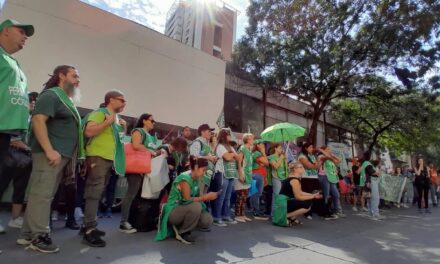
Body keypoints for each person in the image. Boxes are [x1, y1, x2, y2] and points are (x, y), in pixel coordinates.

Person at [18, 65, 82, 253]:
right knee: (42, 195)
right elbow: (38, 120)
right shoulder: (52, 95)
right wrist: (49, 150)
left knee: (42, 195)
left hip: (59, 155)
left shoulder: (65, 99)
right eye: (75, 76)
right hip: (50, 154)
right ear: (61, 76)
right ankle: (40, 236)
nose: (78, 80)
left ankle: (27, 234)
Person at [0, 19, 34, 235]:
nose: (25, 37)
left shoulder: (14, 63)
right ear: (4, 31)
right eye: (21, 31)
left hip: (6, 132)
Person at [82, 90, 127, 247]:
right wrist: (108, 122)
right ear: (110, 100)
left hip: (107, 159)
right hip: (98, 157)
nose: (124, 103)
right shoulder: (100, 113)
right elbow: (88, 131)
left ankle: (88, 224)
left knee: (98, 191)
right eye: (121, 100)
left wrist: (121, 128)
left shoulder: (115, 118)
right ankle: (89, 229)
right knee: (94, 192)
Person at [155, 156, 218, 244]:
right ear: (196, 168)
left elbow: (196, 197)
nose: (204, 173)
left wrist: (210, 196)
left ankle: (181, 225)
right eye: (203, 170)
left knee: (207, 220)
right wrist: (205, 197)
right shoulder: (184, 178)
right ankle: (183, 233)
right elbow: (187, 199)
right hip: (173, 210)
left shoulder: (196, 178)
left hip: (183, 208)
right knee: (196, 206)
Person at [0, 92, 36, 230]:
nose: (33, 103)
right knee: (2, 186)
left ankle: (15, 219)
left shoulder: (31, 119)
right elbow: (14, 141)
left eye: (34, 101)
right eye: (30, 101)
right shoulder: (15, 118)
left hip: (25, 159)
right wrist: (30, 149)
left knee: (20, 189)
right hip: (10, 155)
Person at [119, 113, 158, 234]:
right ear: (144, 121)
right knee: (131, 194)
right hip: (136, 168)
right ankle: (123, 222)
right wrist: (149, 150)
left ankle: (134, 221)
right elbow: (135, 145)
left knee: (136, 196)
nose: (154, 123)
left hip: (143, 169)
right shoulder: (138, 131)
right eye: (152, 120)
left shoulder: (150, 136)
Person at [273, 162, 323, 227]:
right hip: (283, 202)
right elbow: (298, 197)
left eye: (302, 167)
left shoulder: (294, 178)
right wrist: (313, 196)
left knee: (308, 201)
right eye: (300, 167)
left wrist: (312, 195)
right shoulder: (294, 180)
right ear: (295, 169)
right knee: (307, 205)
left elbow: (300, 192)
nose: (303, 169)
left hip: (284, 201)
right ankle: (285, 216)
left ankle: (292, 218)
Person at [212, 128, 239, 227]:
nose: (230, 137)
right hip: (222, 173)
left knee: (228, 197)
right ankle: (216, 217)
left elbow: (238, 157)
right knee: (221, 197)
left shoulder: (230, 147)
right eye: (229, 135)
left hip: (231, 173)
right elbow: (228, 158)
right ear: (224, 136)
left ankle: (226, 215)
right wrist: (232, 155)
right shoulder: (220, 146)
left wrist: (231, 155)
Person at [189, 124, 217, 195]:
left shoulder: (206, 144)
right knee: (198, 196)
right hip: (200, 176)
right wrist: (208, 157)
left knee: (203, 197)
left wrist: (213, 157)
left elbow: (209, 156)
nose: (211, 133)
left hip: (207, 176)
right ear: (202, 132)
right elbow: (193, 157)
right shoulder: (197, 142)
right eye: (209, 131)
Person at [318, 146, 345, 218]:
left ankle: (337, 210)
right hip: (324, 176)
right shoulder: (320, 156)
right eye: (328, 149)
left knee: (336, 195)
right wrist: (322, 151)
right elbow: (326, 157)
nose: (330, 150)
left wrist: (332, 154)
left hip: (332, 178)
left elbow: (339, 160)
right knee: (326, 195)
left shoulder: (330, 158)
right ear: (323, 150)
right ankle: (325, 212)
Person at [297, 142, 322, 219]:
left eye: (312, 147)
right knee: (307, 195)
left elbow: (318, 166)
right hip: (306, 177)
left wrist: (315, 165)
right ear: (306, 148)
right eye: (310, 147)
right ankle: (307, 213)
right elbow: (308, 166)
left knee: (317, 194)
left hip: (315, 177)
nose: (312, 149)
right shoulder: (302, 156)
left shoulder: (313, 156)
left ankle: (315, 210)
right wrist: (315, 165)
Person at [235, 133, 254, 223]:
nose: (253, 140)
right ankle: (237, 214)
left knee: (245, 195)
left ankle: (242, 214)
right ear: (247, 139)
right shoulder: (242, 148)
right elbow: (239, 161)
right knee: (241, 195)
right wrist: (240, 174)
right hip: (242, 173)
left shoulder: (248, 149)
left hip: (247, 174)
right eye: (251, 139)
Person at [360, 151, 384, 220]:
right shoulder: (368, 163)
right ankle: (375, 214)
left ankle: (371, 213)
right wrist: (378, 173)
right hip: (372, 182)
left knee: (369, 198)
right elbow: (373, 172)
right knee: (375, 198)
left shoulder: (364, 163)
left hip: (367, 182)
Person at [251, 139, 270, 220]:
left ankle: (255, 210)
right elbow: (267, 163)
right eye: (261, 144)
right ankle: (256, 212)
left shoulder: (256, 153)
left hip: (259, 175)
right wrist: (263, 152)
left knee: (255, 193)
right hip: (257, 175)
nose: (263, 145)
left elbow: (265, 163)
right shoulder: (257, 153)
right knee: (257, 194)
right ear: (257, 145)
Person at [269, 143, 288, 217]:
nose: (281, 150)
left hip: (284, 177)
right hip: (276, 178)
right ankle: (273, 214)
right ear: (275, 148)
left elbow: (286, 168)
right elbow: (275, 166)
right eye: (280, 148)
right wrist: (281, 158)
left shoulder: (282, 157)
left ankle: (281, 213)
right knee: (276, 196)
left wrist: (285, 160)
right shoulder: (271, 157)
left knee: (283, 196)